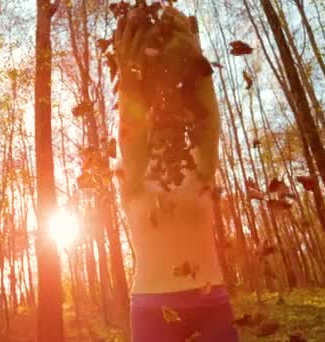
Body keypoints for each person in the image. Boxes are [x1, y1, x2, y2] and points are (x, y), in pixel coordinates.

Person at [114, 6, 238, 342]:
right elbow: (132, 133)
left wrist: (196, 63)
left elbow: (207, 122)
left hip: (211, 303)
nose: (162, 124)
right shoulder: (131, 177)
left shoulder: (199, 167)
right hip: (152, 311)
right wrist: (130, 74)